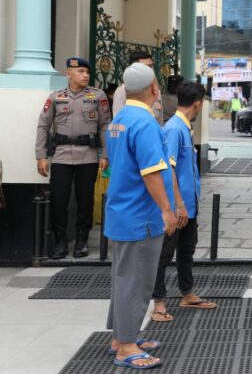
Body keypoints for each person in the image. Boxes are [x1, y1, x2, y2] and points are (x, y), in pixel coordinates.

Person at [104, 62, 178, 370]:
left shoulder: (119, 118)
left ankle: (121, 337)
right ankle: (127, 347)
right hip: (141, 215)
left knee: (124, 278)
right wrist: (166, 209)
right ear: (154, 89)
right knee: (136, 281)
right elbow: (151, 173)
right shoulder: (146, 123)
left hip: (122, 211)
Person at [151, 81, 217, 323]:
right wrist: (177, 205)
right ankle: (158, 302)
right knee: (164, 254)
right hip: (178, 205)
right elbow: (169, 169)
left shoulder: (184, 127)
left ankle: (187, 293)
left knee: (187, 251)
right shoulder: (174, 129)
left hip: (189, 205)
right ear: (197, 104)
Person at [35, 57, 111, 259]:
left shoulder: (97, 96)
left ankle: (81, 241)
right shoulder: (56, 97)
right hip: (60, 156)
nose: (85, 75)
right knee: (59, 201)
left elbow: (105, 126)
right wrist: (41, 156)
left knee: (85, 200)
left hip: (88, 156)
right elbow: (43, 126)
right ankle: (60, 242)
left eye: (87, 72)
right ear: (68, 73)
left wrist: (106, 154)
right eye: (80, 72)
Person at [112, 51, 164, 124]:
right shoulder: (122, 91)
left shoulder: (156, 90)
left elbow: (160, 121)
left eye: (151, 66)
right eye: (146, 67)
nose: (150, 70)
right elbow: (119, 123)